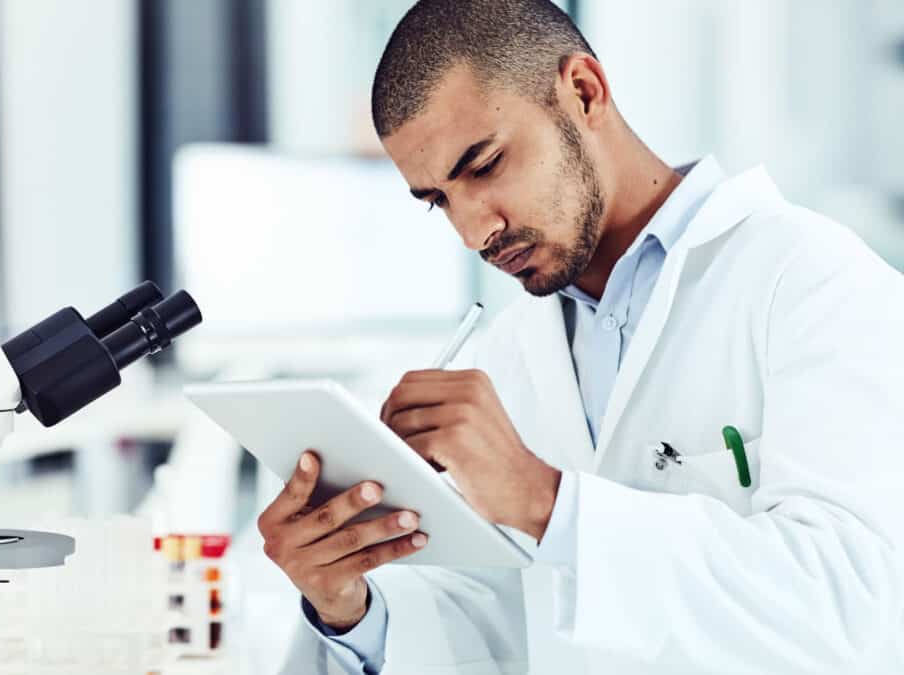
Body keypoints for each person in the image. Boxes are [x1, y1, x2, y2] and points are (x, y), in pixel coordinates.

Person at [255, 1, 904, 673]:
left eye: (484, 165)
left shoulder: (812, 282)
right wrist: (348, 607)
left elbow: (858, 608)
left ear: (584, 92)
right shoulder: (511, 350)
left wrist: (549, 502)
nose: (475, 231)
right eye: (439, 200)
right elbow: (503, 629)